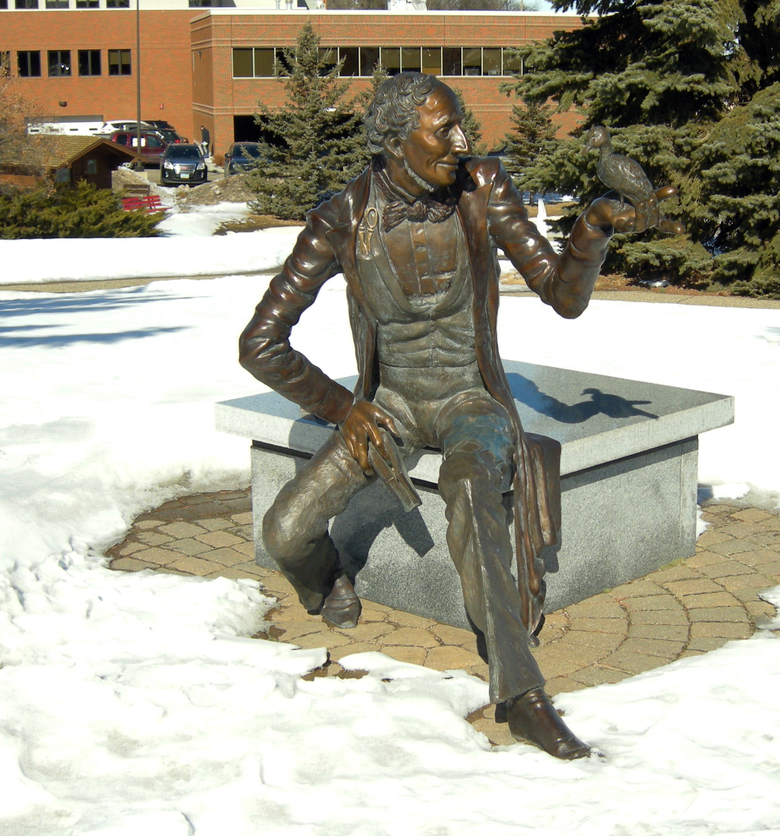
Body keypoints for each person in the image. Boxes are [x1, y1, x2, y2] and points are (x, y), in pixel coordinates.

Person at [239, 72, 678, 759]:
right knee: (286, 529)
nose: (463, 140)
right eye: (444, 129)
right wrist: (341, 408)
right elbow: (259, 344)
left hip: (473, 399)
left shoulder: (484, 188)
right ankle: (330, 579)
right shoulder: (341, 217)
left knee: (472, 491)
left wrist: (593, 227)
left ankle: (520, 693)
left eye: (461, 125)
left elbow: (564, 296)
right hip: (389, 408)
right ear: (393, 139)